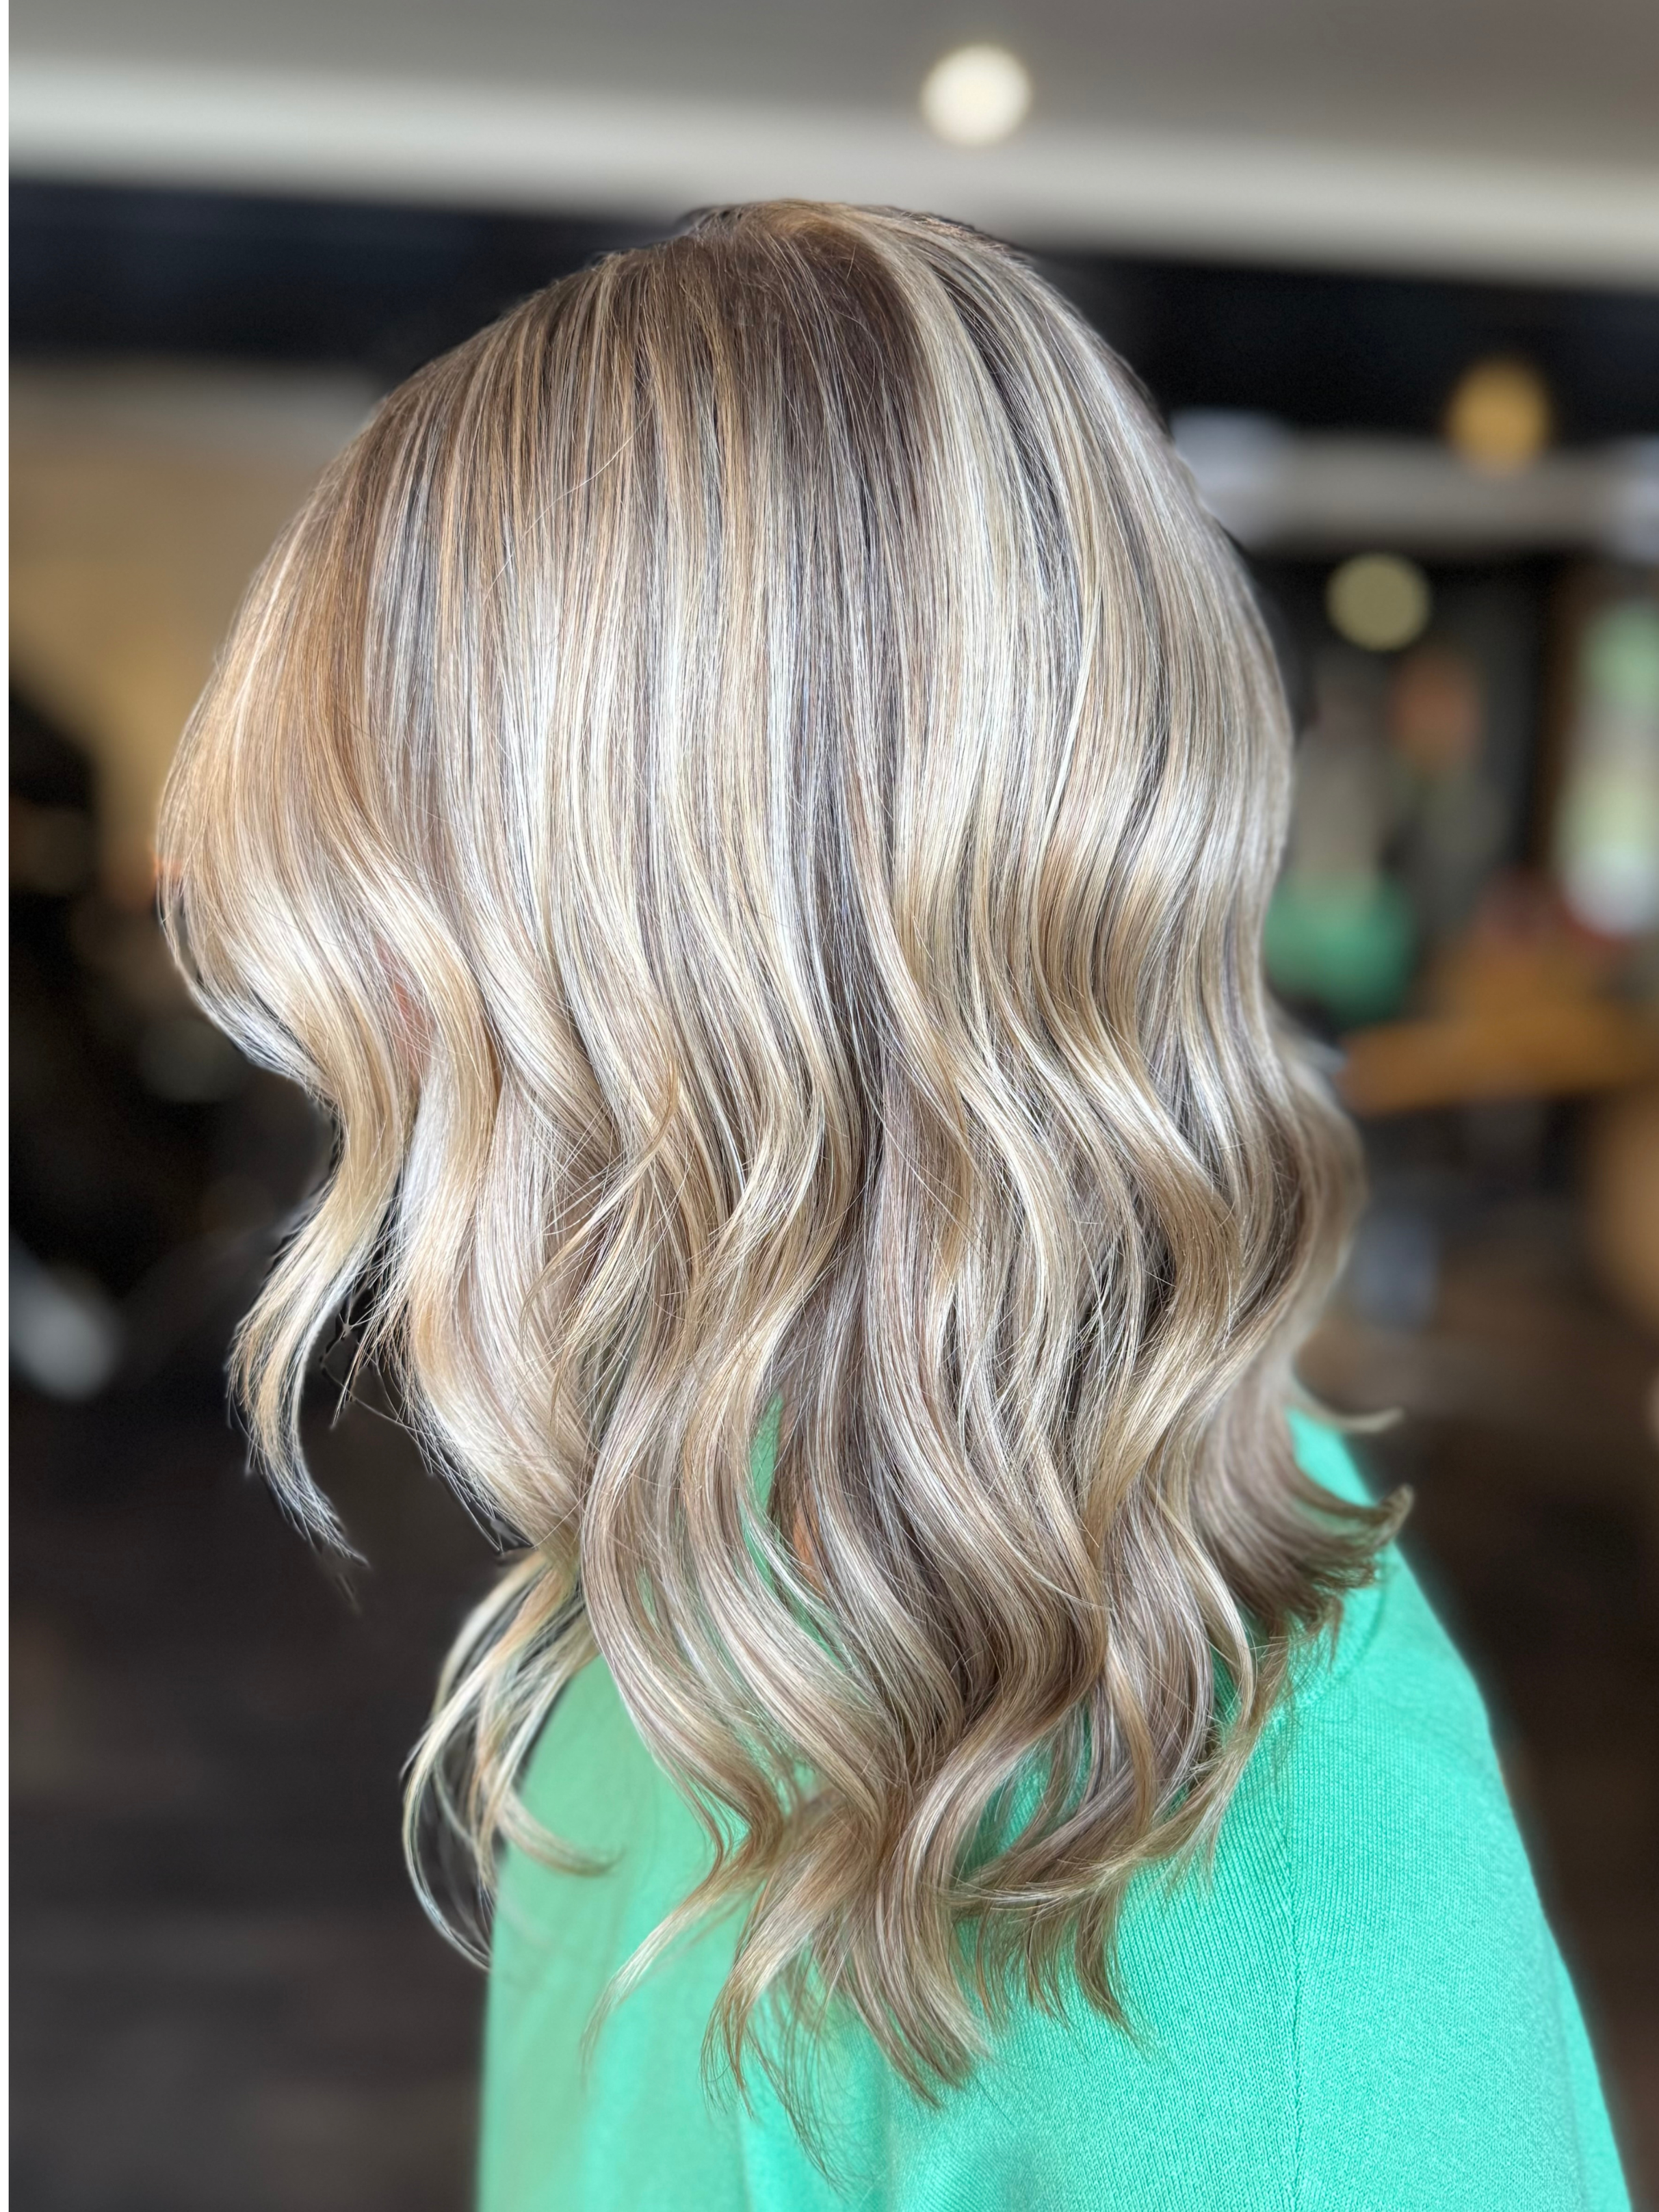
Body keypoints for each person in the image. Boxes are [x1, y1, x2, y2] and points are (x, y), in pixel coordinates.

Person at [158, 202, 1630, 2210]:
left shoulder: (1268, 1894)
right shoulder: (689, 1530)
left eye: (416, 944)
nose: (367, 1062)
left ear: (695, 964)